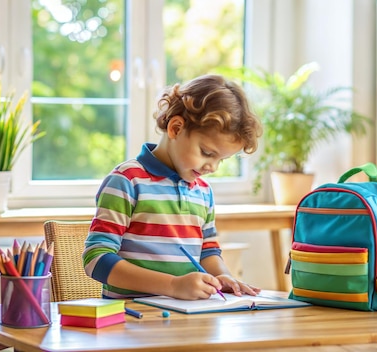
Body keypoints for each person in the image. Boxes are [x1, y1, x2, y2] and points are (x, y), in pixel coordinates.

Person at [83, 74, 263, 300]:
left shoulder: (203, 192)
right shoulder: (127, 180)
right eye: (207, 153)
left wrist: (223, 276)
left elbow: (208, 252)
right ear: (176, 128)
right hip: (132, 320)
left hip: (188, 318)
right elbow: (95, 259)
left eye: (222, 160)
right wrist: (172, 285)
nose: (213, 167)